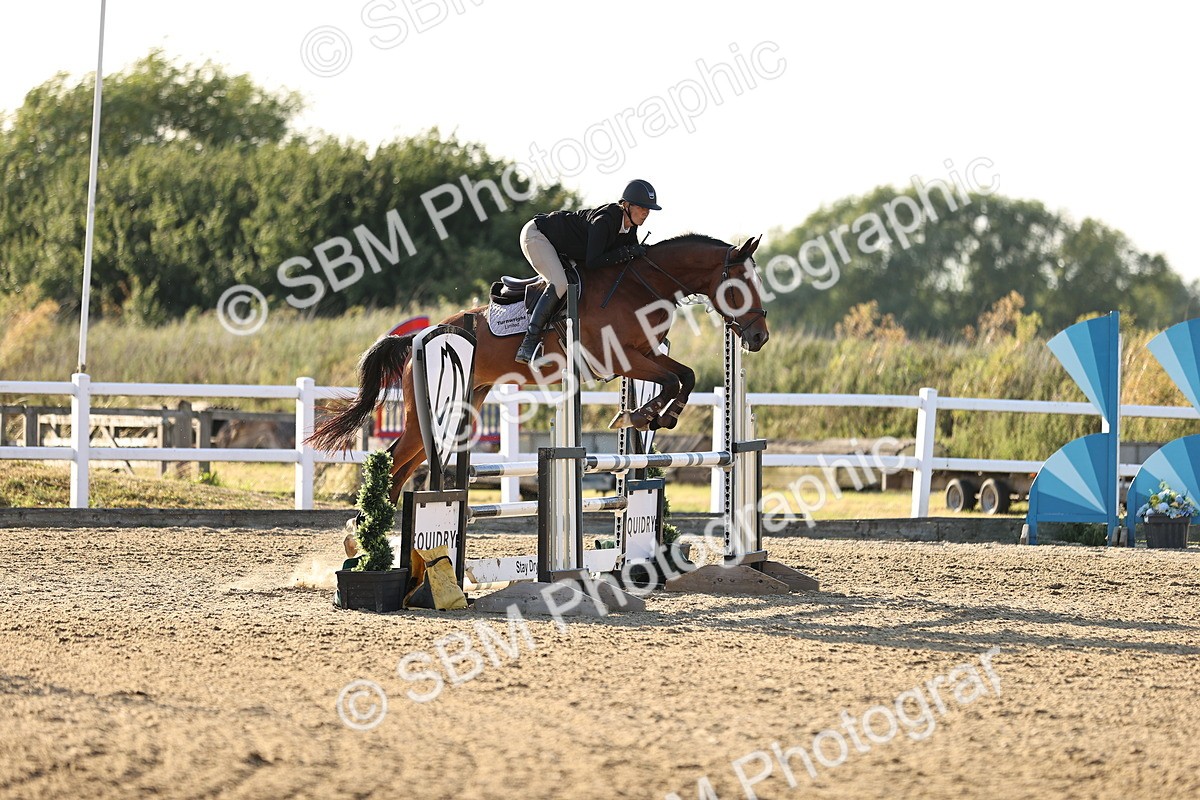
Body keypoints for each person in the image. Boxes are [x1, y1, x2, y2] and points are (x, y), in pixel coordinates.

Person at [514, 178, 662, 364]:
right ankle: (528, 344)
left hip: (563, 247)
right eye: (642, 207)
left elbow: (626, 266)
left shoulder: (630, 230)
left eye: (648, 209)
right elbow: (593, 261)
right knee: (560, 283)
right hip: (537, 235)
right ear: (626, 205)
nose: (646, 212)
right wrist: (626, 252)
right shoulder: (605, 221)